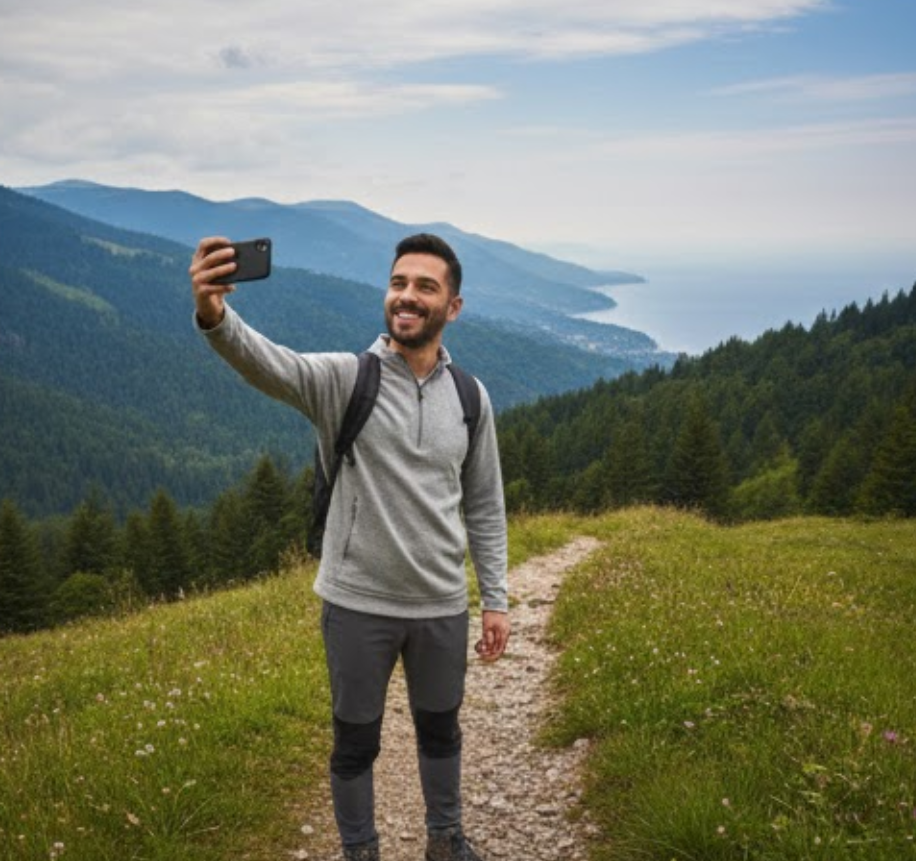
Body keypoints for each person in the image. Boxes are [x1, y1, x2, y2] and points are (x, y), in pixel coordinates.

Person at [190, 232, 510, 861]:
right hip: (357, 603)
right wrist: (212, 313)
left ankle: (445, 840)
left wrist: (494, 598)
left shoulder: (471, 399)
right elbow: (267, 362)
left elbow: (484, 503)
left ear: (454, 306)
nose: (407, 297)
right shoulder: (346, 381)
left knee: (442, 732)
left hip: (442, 604)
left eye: (425, 286)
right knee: (356, 741)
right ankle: (360, 850)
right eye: (398, 283)